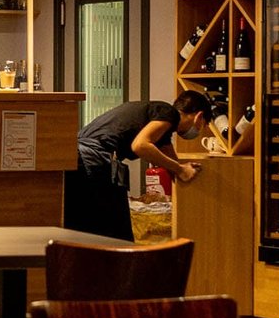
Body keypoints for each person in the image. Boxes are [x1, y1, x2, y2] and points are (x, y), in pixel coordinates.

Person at [64, 90, 214, 241]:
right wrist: (180, 169)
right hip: (92, 159)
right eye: (203, 125)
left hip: (74, 156)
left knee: (83, 232)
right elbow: (140, 145)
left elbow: (173, 166)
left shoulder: (162, 128)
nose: (198, 131)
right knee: (116, 236)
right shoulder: (169, 113)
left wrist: (180, 172)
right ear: (198, 117)